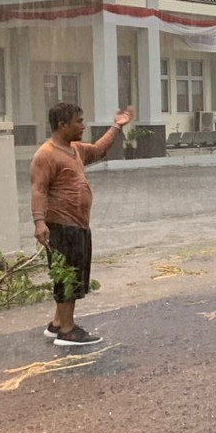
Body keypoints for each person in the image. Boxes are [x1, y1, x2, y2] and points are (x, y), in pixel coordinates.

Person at [30, 103, 134, 347]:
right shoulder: (45, 154)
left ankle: (57, 323)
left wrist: (116, 127)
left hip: (78, 226)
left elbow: (98, 150)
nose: (83, 126)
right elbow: (38, 190)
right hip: (61, 226)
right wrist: (39, 222)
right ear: (62, 125)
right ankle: (68, 330)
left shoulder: (74, 149)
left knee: (73, 275)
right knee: (69, 278)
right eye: (78, 121)